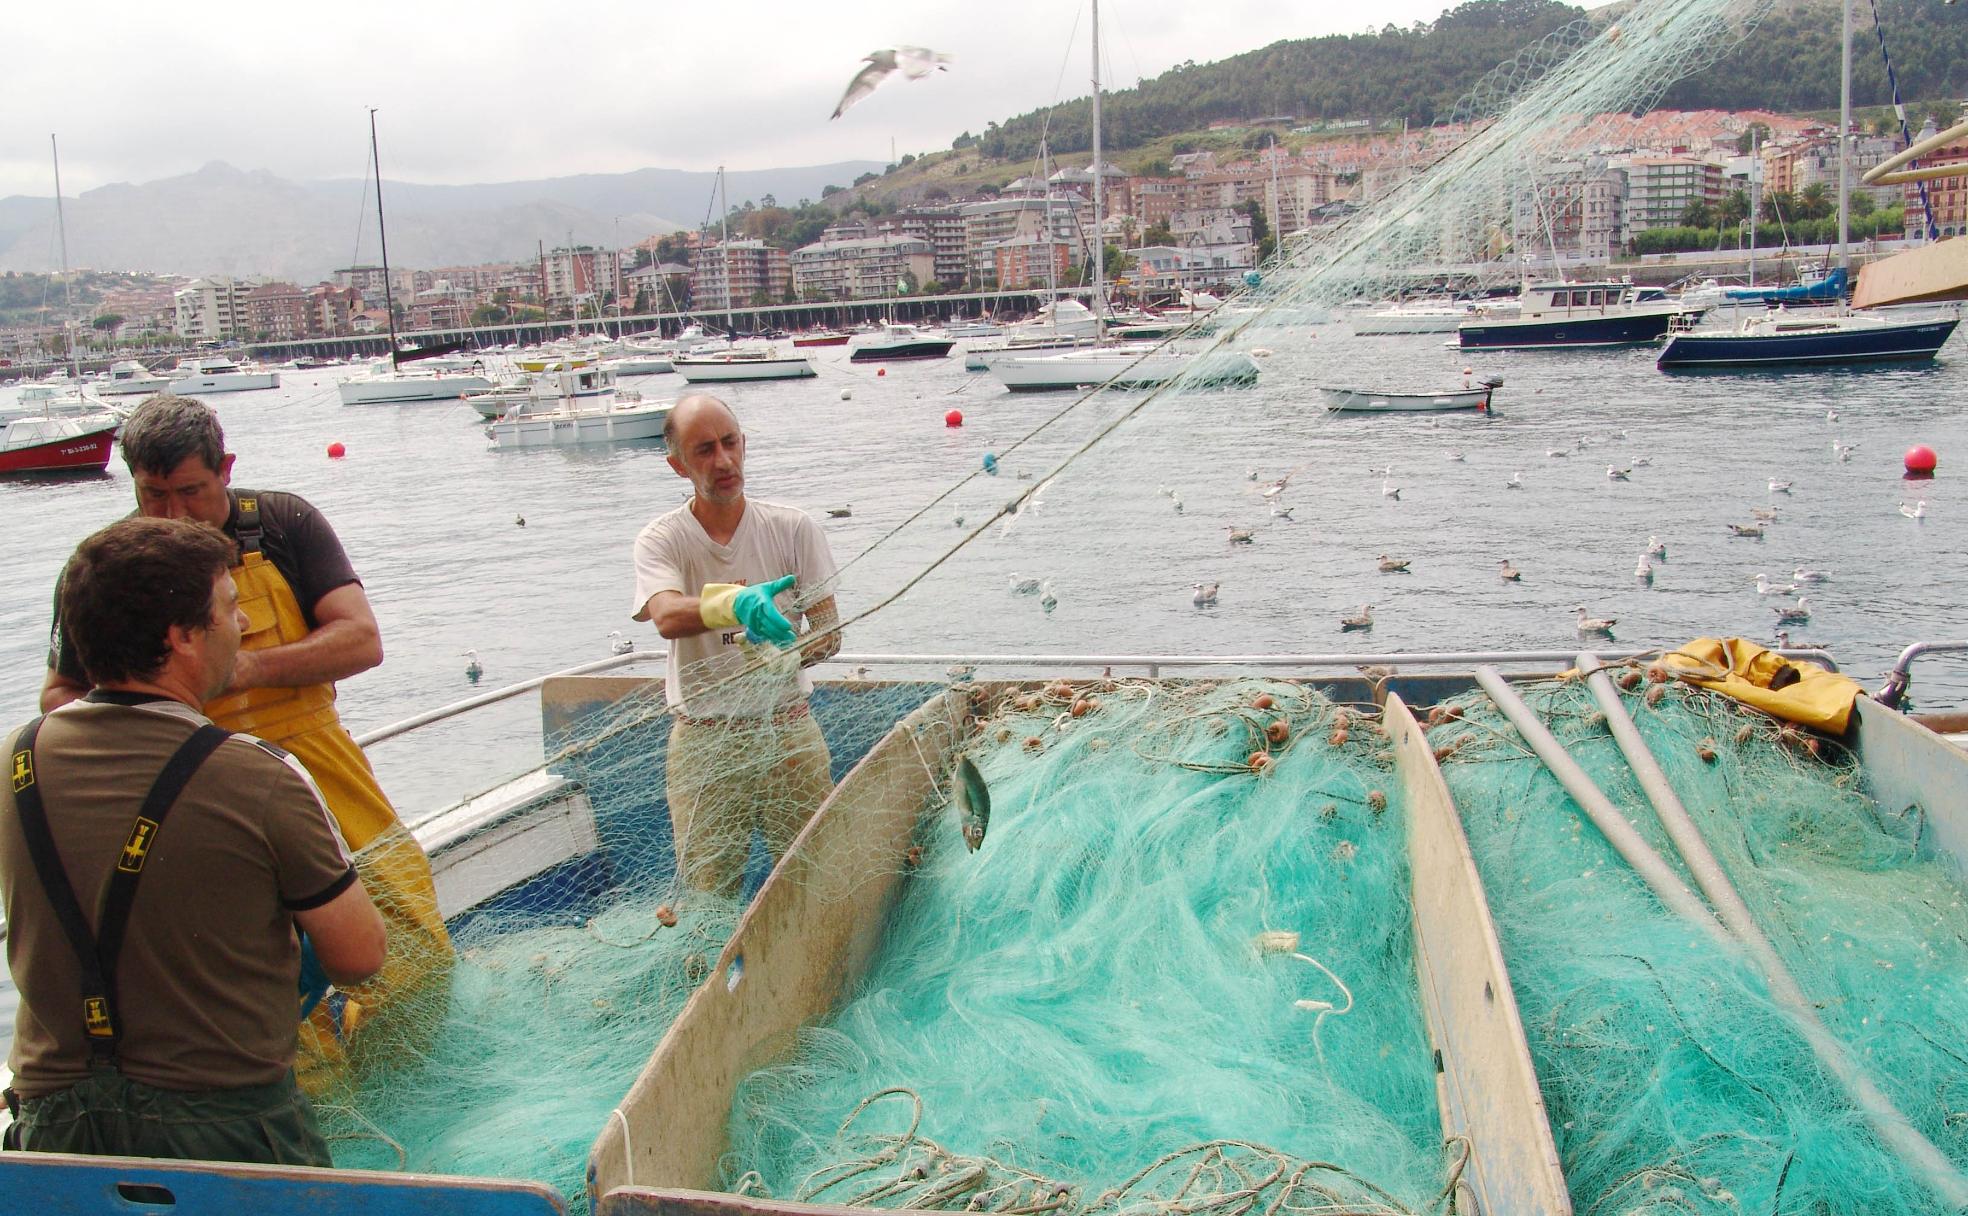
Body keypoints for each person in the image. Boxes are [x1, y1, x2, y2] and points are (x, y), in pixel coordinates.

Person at [38, 395, 448, 1071]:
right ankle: (322, 1106)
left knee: (413, 938)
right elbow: (61, 695)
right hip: (194, 790)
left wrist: (244, 666)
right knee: (267, 984)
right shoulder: (113, 565)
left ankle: (404, 1075)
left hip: (322, 770)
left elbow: (362, 639)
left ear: (225, 469)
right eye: (153, 495)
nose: (173, 515)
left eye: (192, 492)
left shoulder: (285, 523)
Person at [2, 517, 386, 1164]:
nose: (239, 627)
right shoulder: (262, 775)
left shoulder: (17, 762)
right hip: (226, 1128)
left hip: (55, 1131)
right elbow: (359, 954)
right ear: (182, 637)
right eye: (230, 609)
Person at [631, 394, 843, 897]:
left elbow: (829, 630)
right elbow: (663, 614)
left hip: (788, 727)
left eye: (729, 443)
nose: (723, 461)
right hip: (704, 739)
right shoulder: (661, 539)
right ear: (677, 465)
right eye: (703, 450)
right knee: (709, 889)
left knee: (815, 877)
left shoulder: (793, 527)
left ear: (744, 446)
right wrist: (734, 606)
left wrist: (787, 653)